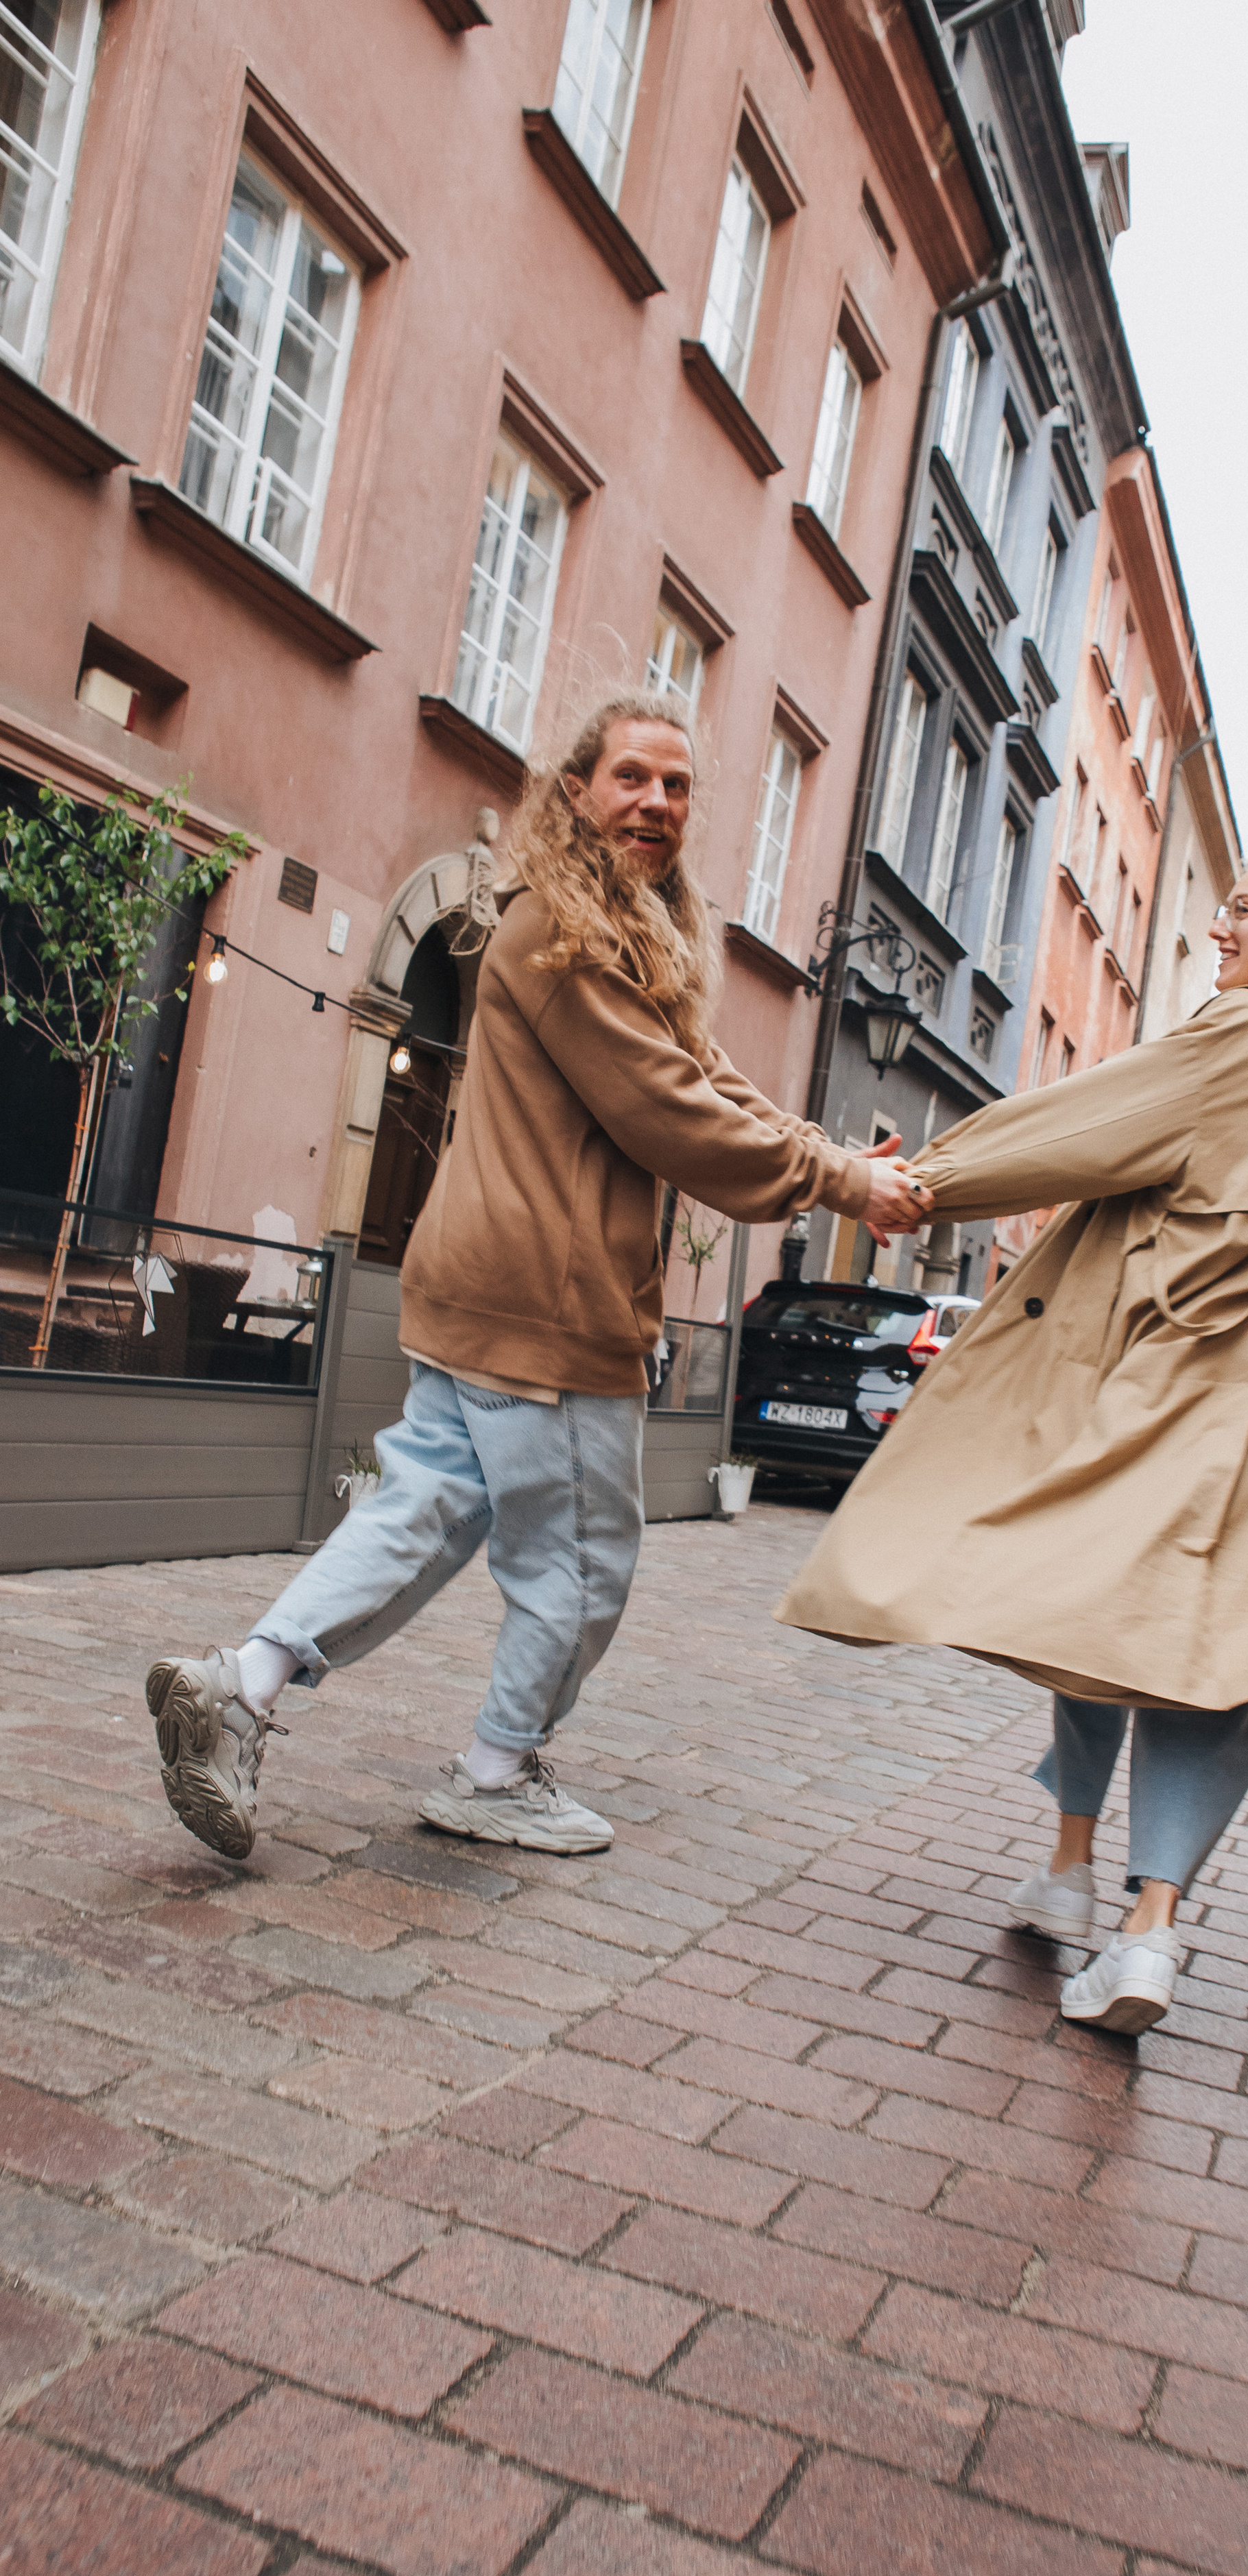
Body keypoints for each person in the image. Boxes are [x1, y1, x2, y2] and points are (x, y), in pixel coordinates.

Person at [145, 693, 929, 1862]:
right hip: (548, 1304)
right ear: (575, 792)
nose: (655, 804)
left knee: (423, 1509)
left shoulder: (620, 933)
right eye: (630, 779)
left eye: (676, 787)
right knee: (579, 1561)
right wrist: (836, 1188)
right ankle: (498, 1771)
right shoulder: (564, 939)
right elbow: (669, 1112)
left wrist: (824, 1153)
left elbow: (706, 1073)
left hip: (486, 1284)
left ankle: (238, 1690)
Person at [778, 851, 1248, 2034]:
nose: (1221, 933)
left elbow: (1090, 1122)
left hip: (1182, 1371)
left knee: (1092, 1603)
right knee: (1221, 1650)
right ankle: (1144, 1923)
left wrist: (922, 1179)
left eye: (1244, 914)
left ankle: (1083, 1881)